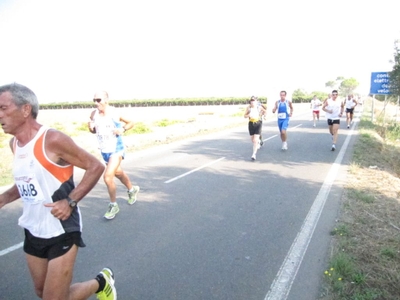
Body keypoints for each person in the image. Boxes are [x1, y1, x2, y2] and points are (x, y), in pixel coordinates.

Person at [0, 83, 116, 300]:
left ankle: (101, 283)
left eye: (3, 108)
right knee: (42, 293)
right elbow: (29, 179)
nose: (0, 115)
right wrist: (5, 197)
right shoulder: (14, 144)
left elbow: (95, 166)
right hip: (33, 227)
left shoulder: (51, 139)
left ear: (25, 110)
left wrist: (70, 202)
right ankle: (101, 284)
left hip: (61, 228)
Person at [89, 91, 140, 220]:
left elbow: (131, 122)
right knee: (118, 173)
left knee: (107, 177)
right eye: (94, 100)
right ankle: (132, 189)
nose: (96, 103)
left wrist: (122, 129)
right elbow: (93, 130)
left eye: (99, 100)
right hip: (104, 150)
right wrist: (90, 127)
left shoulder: (115, 112)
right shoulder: (93, 114)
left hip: (116, 149)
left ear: (106, 100)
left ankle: (113, 205)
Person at [244, 96, 266, 160]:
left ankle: (254, 154)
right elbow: (244, 116)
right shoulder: (248, 108)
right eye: (252, 100)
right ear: (250, 102)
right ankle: (258, 141)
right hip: (251, 124)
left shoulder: (259, 107)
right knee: (253, 140)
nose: (253, 102)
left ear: (256, 101)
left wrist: (264, 116)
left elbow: (265, 111)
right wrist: (248, 115)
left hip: (258, 123)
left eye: (254, 100)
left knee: (255, 140)